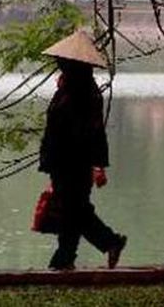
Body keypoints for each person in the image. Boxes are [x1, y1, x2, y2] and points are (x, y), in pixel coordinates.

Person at [38, 30, 127, 270]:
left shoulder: (84, 93)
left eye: (63, 63)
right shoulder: (68, 90)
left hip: (73, 163)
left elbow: (93, 132)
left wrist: (96, 165)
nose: (60, 65)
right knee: (73, 210)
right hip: (63, 162)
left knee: (75, 210)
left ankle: (99, 245)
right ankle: (66, 258)